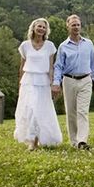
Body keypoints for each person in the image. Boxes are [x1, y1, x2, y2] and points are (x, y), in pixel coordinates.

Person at [52, 14, 94, 150]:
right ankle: (74, 141)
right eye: (73, 24)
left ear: (81, 26)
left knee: (82, 111)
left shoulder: (89, 44)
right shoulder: (63, 46)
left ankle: (82, 141)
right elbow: (58, 67)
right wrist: (56, 83)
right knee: (71, 112)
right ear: (68, 26)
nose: (76, 27)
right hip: (69, 80)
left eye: (78, 24)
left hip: (86, 80)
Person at [13, 18, 63, 150]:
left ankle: (38, 139)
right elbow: (22, 66)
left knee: (40, 111)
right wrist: (19, 85)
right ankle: (31, 141)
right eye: (39, 26)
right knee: (29, 110)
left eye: (44, 27)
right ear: (33, 28)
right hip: (28, 81)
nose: (41, 29)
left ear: (46, 30)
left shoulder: (50, 46)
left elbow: (51, 67)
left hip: (43, 82)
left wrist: (53, 84)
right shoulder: (25, 45)